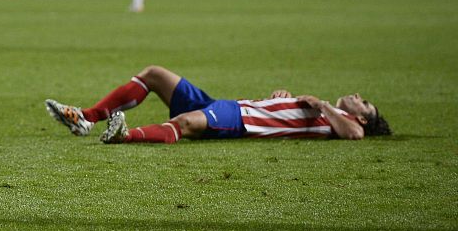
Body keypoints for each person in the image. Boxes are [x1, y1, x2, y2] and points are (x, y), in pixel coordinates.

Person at [46, 65, 391, 144]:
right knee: (154, 75)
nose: (360, 98)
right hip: (235, 105)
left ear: (361, 119)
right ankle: (87, 119)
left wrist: (323, 105)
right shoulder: (323, 116)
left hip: (241, 120)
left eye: (366, 105)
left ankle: (125, 135)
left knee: (185, 122)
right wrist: (279, 98)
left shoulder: (339, 122)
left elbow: (354, 137)